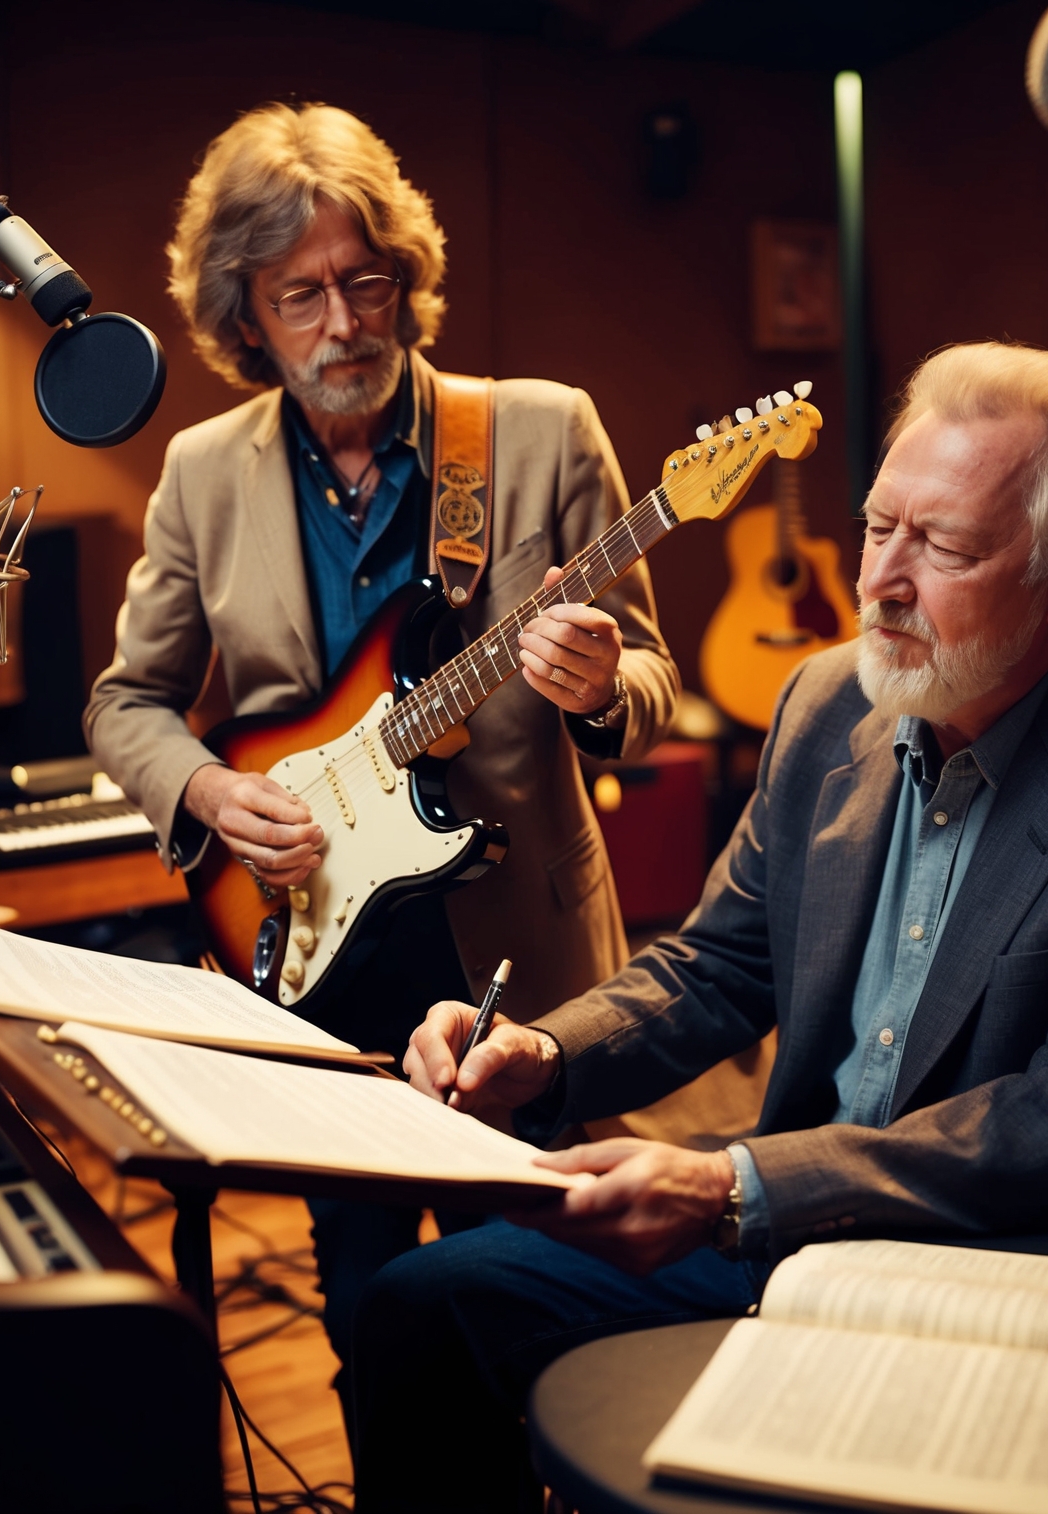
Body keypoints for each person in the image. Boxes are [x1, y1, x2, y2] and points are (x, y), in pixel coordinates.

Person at [354, 341, 1048, 1513]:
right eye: (879, 528)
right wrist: (547, 1052)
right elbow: (720, 961)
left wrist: (729, 1188)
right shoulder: (828, 700)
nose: (880, 584)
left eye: (947, 548)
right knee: (415, 1309)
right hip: (811, 1222)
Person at [82, 102, 680, 1380]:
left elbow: (650, 674)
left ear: (405, 278)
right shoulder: (198, 472)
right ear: (245, 314)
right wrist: (204, 789)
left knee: (539, 1300)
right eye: (300, 296)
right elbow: (125, 701)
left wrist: (593, 686)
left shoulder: (538, 428)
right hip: (310, 962)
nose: (344, 324)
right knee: (365, 1312)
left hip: (514, 958)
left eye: (364, 281)